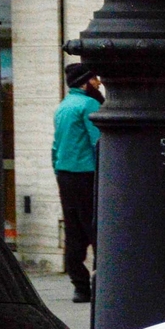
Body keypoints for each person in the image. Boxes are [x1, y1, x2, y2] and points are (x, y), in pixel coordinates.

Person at [51, 66, 102, 303]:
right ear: (85, 82)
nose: (99, 82)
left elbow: (55, 146)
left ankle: (80, 286)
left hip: (65, 174)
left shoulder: (62, 106)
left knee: (74, 230)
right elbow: (98, 142)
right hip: (86, 174)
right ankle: (103, 281)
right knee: (96, 228)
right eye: (94, 77)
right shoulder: (89, 105)